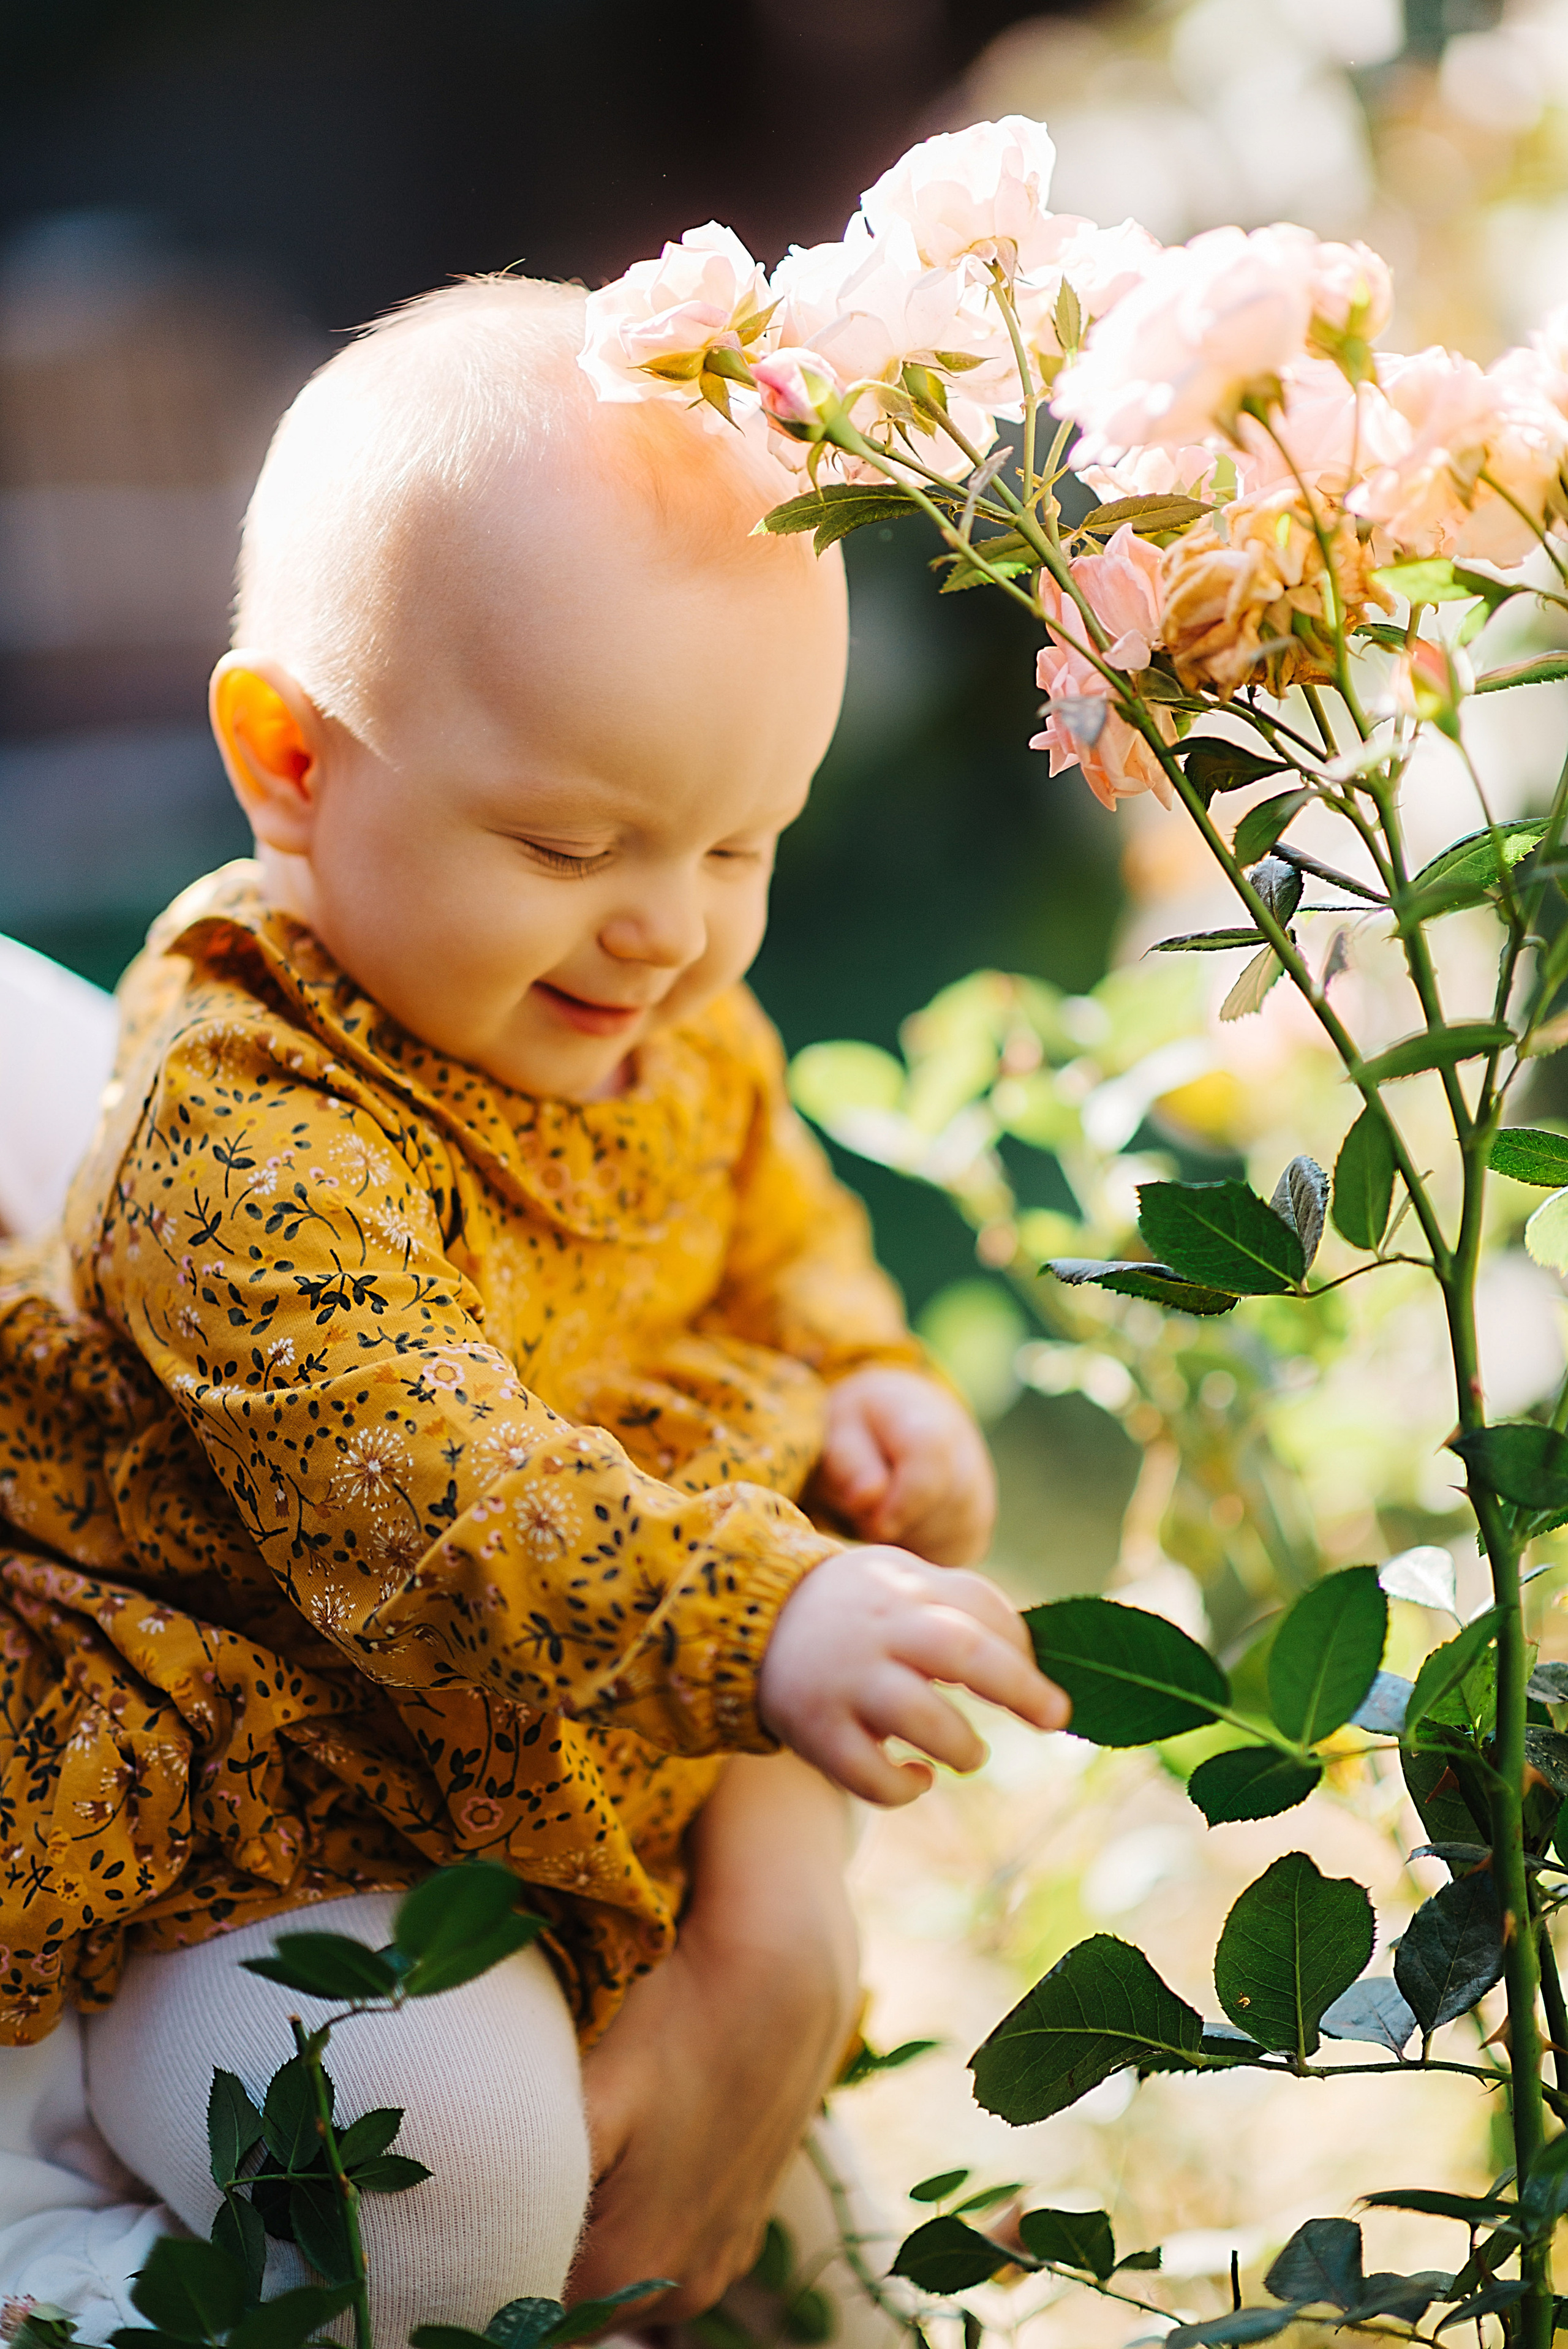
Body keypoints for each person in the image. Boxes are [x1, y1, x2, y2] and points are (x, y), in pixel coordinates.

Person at [0, 275, 1068, 2345]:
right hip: (255, 1803)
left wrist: (868, 1373)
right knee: (462, 2173)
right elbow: (422, 1506)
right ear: (293, 758)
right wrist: (761, 1613)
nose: (669, 925)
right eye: (572, 839)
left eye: (744, 840)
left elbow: (784, 1227)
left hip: (551, 1766)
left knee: (776, 2267)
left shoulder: (664, 1015)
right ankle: (81, 2294)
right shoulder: (238, 1132)